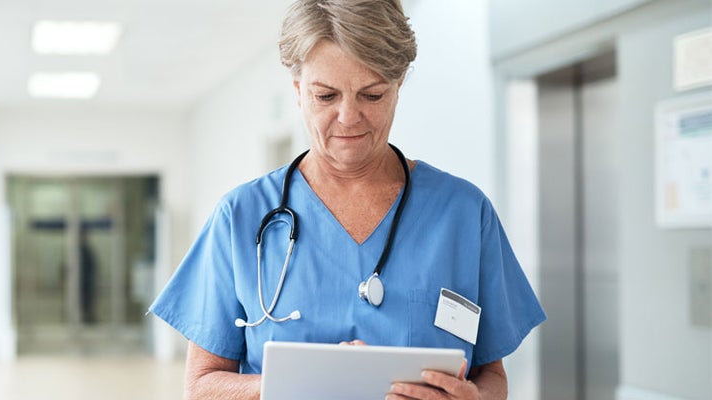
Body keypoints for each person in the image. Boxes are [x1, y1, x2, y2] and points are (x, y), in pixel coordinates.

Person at [147, 0, 546, 399]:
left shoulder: (463, 213)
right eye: (326, 96)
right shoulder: (242, 216)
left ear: (399, 83)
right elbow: (201, 386)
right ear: (299, 90)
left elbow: (490, 374)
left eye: (372, 95)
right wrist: (301, 384)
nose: (349, 117)